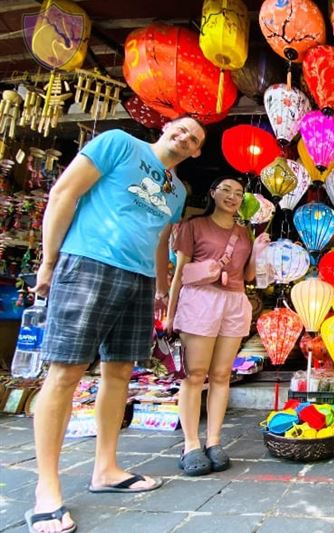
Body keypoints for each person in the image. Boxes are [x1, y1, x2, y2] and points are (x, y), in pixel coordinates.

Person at [29, 115, 206, 533]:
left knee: (121, 370)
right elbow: (64, 193)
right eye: (181, 129)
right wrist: (49, 261)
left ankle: (105, 468)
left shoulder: (177, 190)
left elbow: (161, 240)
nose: (185, 138)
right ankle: (46, 489)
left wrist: (162, 288)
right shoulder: (118, 144)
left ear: (196, 152)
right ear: (166, 129)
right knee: (66, 371)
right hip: (88, 262)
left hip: (140, 279)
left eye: (194, 139)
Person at [164, 177, 264, 476]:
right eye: (226, 190)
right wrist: (170, 314)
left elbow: (247, 277)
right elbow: (179, 273)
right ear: (212, 192)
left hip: (234, 301)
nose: (232, 197)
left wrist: (257, 251)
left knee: (221, 375)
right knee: (195, 375)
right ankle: (191, 443)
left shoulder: (244, 232)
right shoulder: (193, 226)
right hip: (200, 300)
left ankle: (215, 441)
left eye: (238, 193)